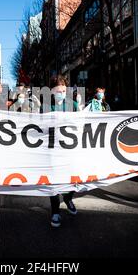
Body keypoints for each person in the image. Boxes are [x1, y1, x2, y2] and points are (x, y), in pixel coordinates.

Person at [49, 76, 78, 228]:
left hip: (69, 149)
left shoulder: (72, 105)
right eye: (58, 91)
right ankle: (55, 211)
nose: (61, 93)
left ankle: (68, 198)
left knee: (73, 178)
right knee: (52, 182)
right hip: (53, 150)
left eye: (63, 91)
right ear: (51, 91)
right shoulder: (46, 106)